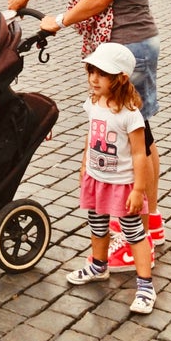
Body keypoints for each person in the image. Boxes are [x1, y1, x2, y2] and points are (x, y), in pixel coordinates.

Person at [7, 0, 166, 269]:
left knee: (137, 140)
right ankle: (150, 223)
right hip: (106, 44)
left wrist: (59, 19)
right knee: (129, 138)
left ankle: (139, 231)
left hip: (129, 47)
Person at [66, 42, 155, 314]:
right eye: (91, 71)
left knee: (133, 232)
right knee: (97, 225)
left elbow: (140, 155)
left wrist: (138, 189)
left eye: (102, 74)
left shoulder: (130, 116)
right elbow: (91, 136)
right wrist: (84, 165)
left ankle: (145, 286)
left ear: (121, 78)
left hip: (121, 184)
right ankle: (98, 265)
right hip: (97, 178)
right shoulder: (93, 103)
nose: (93, 78)